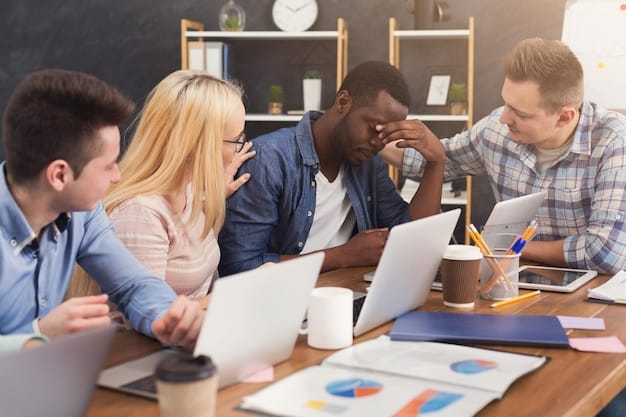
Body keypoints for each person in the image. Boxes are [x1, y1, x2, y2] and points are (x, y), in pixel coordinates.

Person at [380, 38, 626, 275]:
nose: (503, 118)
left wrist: (511, 248)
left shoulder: (614, 142)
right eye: (506, 103)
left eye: (520, 113)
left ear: (564, 117)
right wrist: (373, 138)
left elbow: (605, 253)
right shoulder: (497, 130)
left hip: (599, 296)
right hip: (517, 283)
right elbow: (431, 160)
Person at [0, 69, 203, 350]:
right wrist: (35, 336)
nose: (117, 176)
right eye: (109, 165)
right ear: (59, 175)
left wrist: (166, 316)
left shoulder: (82, 214)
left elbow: (132, 284)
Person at [218, 61, 445, 275]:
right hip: (281, 304)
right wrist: (344, 256)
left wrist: (436, 163)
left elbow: (408, 234)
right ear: (343, 102)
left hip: (342, 294)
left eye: (387, 135)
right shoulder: (269, 159)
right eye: (374, 128)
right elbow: (240, 267)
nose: (379, 142)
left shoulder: (367, 163)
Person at [71, 71, 255, 307]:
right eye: (236, 139)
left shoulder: (188, 190)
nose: (240, 147)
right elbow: (153, 315)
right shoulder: (139, 214)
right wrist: (244, 289)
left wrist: (214, 191)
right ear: (200, 145)